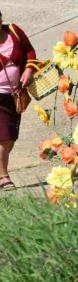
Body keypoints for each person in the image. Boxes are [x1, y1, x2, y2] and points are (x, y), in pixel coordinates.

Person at [0, 11, 36, 190]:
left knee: (11, 137)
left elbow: (29, 50)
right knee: (4, 137)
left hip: (15, 95)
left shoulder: (14, 31)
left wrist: (29, 69)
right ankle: (3, 176)